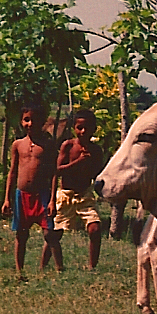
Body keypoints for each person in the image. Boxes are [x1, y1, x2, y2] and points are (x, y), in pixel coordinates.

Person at [2, 100, 59, 274]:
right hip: (22, 195)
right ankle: (19, 270)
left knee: (49, 233)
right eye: (26, 119)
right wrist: (7, 199)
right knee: (21, 234)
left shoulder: (48, 145)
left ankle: (56, 268)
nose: (30, 124)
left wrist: (52, 199)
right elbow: (12, 172)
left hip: (41, 195)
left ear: (43, 121)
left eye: (35, 120)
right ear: (21, 121)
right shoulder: (18, 145)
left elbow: (54, 173)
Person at [51, 108, 105, 270]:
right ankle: (52, 266)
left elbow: (98, 173)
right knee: (54, 234)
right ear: (73, 128)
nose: (83, 132)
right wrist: (78, 162)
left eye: (87, 128)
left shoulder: (96, 151)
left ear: (94, 129)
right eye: (79, 128)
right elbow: (57, 171)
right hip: (65, 195)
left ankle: (92, 267)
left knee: (95, 229)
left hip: (85, 195)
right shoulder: (68, 146)